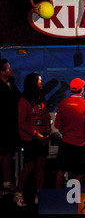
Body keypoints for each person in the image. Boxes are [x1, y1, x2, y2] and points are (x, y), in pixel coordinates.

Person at [14, 73, 51, 207]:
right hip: (30, 139)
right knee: (29, 166)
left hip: (43, 137)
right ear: (33, 83)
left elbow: (46, 116)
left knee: (41, 165)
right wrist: (37, 134)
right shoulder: (23, 100)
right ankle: (18, 194)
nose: (42, 83)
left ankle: (38, 194)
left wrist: (47, 133)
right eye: (40, 81)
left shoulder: (41, 98)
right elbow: (21, 122)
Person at [54, 78, 85, 188]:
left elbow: (58, 124)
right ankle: (75, 200)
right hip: (80, 144)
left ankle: (56, 197)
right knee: (80, 173)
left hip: (66, 143)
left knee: (61, 170)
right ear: (81, 89)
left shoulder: (63, 103)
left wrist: (65, 133)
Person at [0, 59, 21, 193]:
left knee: (7, 154)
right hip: (2, 127)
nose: (11, 69)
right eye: (8, 68)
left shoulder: (11, 84)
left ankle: (7, 183)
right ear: (2, 72)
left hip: (10, 127)